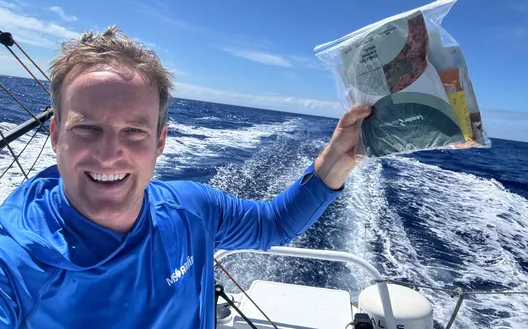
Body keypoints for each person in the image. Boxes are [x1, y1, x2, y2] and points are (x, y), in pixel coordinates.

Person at [0, 26, 372, 329]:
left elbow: (272, 224)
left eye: (134, 131)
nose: (109, 153)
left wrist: (339, 157)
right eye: (88, 128)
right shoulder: (16, 261)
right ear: (55, 135)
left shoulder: (192, 207)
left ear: (160, 141)